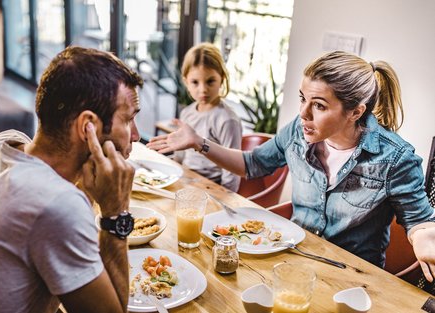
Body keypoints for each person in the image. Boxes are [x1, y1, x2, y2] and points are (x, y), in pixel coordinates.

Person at [148, 50, 435, 280]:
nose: (303, 113)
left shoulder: (396, 158)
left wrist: (424, 238)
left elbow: (419, 221)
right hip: (292, 262)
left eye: (319, 106)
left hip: (352, 280)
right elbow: (252, 164)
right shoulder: (298, 131)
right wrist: (199, 141)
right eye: (302, 99)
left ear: (355, 112)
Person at [0, 46, 143, 313]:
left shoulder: (0, 144)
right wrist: (116, 212)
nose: (135, 135)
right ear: (88, 126)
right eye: (129, 119)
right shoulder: (56, 204)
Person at [174, 42, 242, 191]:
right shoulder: (187, 113)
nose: (203, 89)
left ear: (222, 79)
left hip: (212, 188)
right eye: (195, 82)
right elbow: (180, 155)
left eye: (210, 81)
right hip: (186, 181)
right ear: (186, 82)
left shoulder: (227, 120)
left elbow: (232, 169)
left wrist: (226, 200)